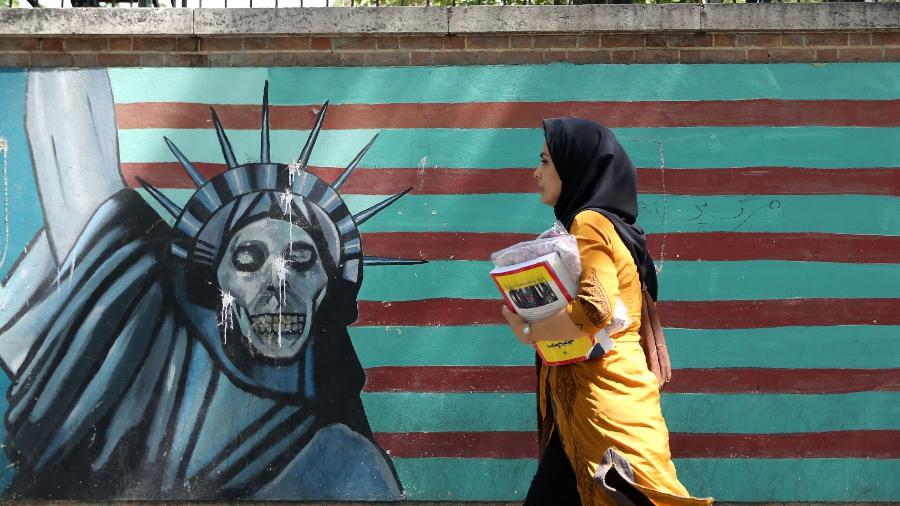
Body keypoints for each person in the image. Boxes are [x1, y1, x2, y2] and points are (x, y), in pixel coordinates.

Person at [501, 118, 712, 505]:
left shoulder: (589, 222)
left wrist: (531, 330)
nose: (536, 173)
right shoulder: (596, 224)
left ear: (577, 167)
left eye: (546, 161)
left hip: (603, 405)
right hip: (585, 406)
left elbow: (597, 308)